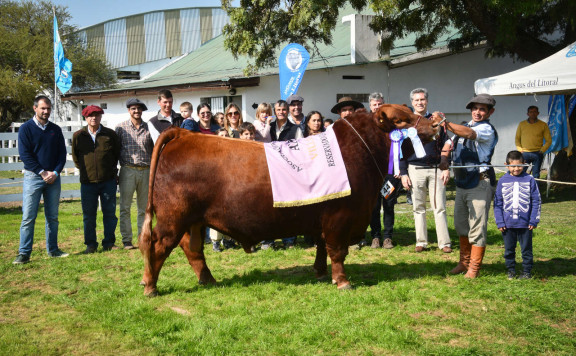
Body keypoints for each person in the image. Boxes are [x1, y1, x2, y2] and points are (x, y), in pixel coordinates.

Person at [440, 93, 499, 278]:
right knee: (460, 225)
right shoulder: (464, 126)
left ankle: (474, 268)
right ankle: (463, 263)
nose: (478, 112)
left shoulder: (486, 130)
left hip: (480, 183)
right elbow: (449, 144)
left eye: (482, 109)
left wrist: (446, 123)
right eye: (475, 108)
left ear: (491, 112)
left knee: (477, 227)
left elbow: (469, 134)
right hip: (462, 183)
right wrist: (444, 158)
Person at [13, 96, 68, 264]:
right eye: (43, 108)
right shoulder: (25, 129)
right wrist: (42, 172)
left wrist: (56, 173)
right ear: (35, 108)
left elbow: (62, 155)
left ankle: (53, 250)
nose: (46, 112)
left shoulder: (55, 130)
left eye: (49, 108)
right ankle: (24, 253)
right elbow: (25, 155)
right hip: (33, 177)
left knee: (52, 217)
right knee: (28, 216)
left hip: (53, 178)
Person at [400, 88, 452, 253]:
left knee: (440, 206)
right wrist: (403, 173)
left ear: (427, 101)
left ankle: (444, 243)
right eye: (416, 100)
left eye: (422, 99)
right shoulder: (407, 122)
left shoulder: (437, 120)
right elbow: (400, 150)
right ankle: (421, 242)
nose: (419, 103)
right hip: (415, 169)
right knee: (418, 207)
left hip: (436, 168)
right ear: (412, 102)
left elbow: (447, 144)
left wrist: (446, 166)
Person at [72, 105, 121, 253]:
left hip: (108, 181)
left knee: (110, 214)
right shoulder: (78, 136)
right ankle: (91, 244)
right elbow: (76, 158)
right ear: (85, 118)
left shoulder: (110, 135)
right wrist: (88, 172)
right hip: (88, 183)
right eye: (90, 115)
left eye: (97, 115)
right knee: (88, 215)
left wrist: (111, 172)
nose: (93, 118)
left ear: (101, 117)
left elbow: (116, 154)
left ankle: (109, 242)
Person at [262, 100, 304, 249]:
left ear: (288, 111)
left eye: (284, 109)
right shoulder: (269, 127)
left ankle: (289, 240)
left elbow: (300, 151)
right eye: (278, 109)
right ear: (274, 111)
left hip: (288, 173)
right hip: (269, 172)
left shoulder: (296, 129)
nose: (281, 112)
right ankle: (269, 240)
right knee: (269, 208)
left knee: (289, 207)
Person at [494, 150, 541, 280]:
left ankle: (527, 271)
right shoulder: (502, 181)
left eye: (519, 166)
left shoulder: (530, 180)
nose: (516, 169)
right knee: (509, 250)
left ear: (524, 164)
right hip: (507, 225)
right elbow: (497, 203)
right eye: (513, 166)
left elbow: (536, 200)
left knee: (526, 249)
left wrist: (533, 220)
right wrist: (500, 222)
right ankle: (511, 270)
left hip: (526, 224)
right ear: (507, 165)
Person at [115, 98, 154, 250]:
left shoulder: (149, 127)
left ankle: (142, 238)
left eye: (139, 108)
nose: (136, 111)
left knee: (144, 208)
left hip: (145, 170)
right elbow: (116, 150)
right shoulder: (120, 128)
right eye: (133, 109)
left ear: (142, 110)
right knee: (125, 206)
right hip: (128, 169)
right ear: (128, 110)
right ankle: (126, 240)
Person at [365, 92, 396, 249]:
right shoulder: (365, 122)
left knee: (388, 203)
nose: (377, 106)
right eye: (374, 104)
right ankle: (375, 236)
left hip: (389, 172)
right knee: (374, 206)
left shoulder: (391, 123)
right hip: (371, 175)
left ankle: (387, 238)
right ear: (370, 106)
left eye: (380, 104)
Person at [515, 106, 552, 178]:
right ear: (527, 114)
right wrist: (520, 150)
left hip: (537, 153)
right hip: (524, 153)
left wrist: (542, 150)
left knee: (536, 174)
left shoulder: (543, 124)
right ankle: (521, 188)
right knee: (521, 172)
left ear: (538, 113)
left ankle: (535, 188)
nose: (533, 114)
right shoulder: (522, 124)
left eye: (535, 112)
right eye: (531, 112)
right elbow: (517, 138)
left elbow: (549, 140)